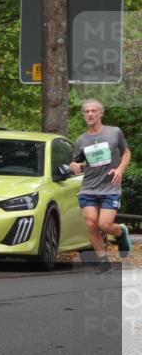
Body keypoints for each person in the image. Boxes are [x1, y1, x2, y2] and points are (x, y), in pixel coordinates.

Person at [69, 99, 132, 273]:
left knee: (104, 225)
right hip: (89, 187)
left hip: (110, 187)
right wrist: (73, 165)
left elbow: (126, 152)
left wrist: (120, 169)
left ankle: (120, 233)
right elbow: (77, 162)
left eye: (93, 111)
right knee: (90, 223)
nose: (89, 114)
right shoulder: (81, 140)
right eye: (86, 111)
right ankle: (103, 260)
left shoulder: (114, 133)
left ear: (100, 113)